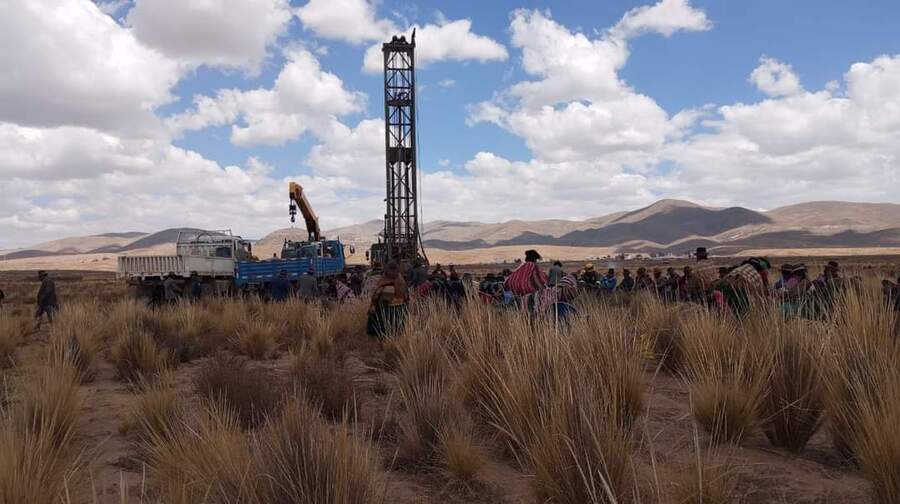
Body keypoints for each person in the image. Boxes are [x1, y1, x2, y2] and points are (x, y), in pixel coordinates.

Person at [367, 261, 409, 338]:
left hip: (385, 311)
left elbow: (375, 297)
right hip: (399, 311)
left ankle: (379, 335)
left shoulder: (384, 283)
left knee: (375, 316)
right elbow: (407, 298)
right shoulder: (402, 282)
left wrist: (372, 307)